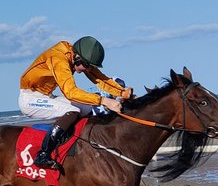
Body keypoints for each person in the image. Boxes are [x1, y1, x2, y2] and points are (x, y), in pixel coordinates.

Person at [18, 36, 132, 170]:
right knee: (72, 111)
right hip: (29, 98)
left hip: (47, 96)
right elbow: (70, 92)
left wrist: (123, 92)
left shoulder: (78, 56)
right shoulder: (59, 59)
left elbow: (100, 79)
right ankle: (43, 154)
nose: (88, 70)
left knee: (87, 108)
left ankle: (84, 145)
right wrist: (105, 100)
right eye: (87, 66)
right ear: (77, 56)